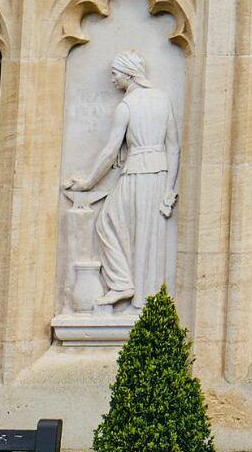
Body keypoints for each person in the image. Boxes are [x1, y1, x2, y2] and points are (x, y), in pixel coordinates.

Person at [62, 50, 180, 309]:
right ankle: (139, 293)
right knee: (147, 234)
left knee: (107, 222)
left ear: (129, 74)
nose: (113, 79)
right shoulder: (162, 99)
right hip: (159, 174)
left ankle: (123, 284)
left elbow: (109, 152)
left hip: (137, 171)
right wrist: (169, 188)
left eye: (115, 74)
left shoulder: (126, 106)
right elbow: (173, 147)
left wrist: (89, 183)